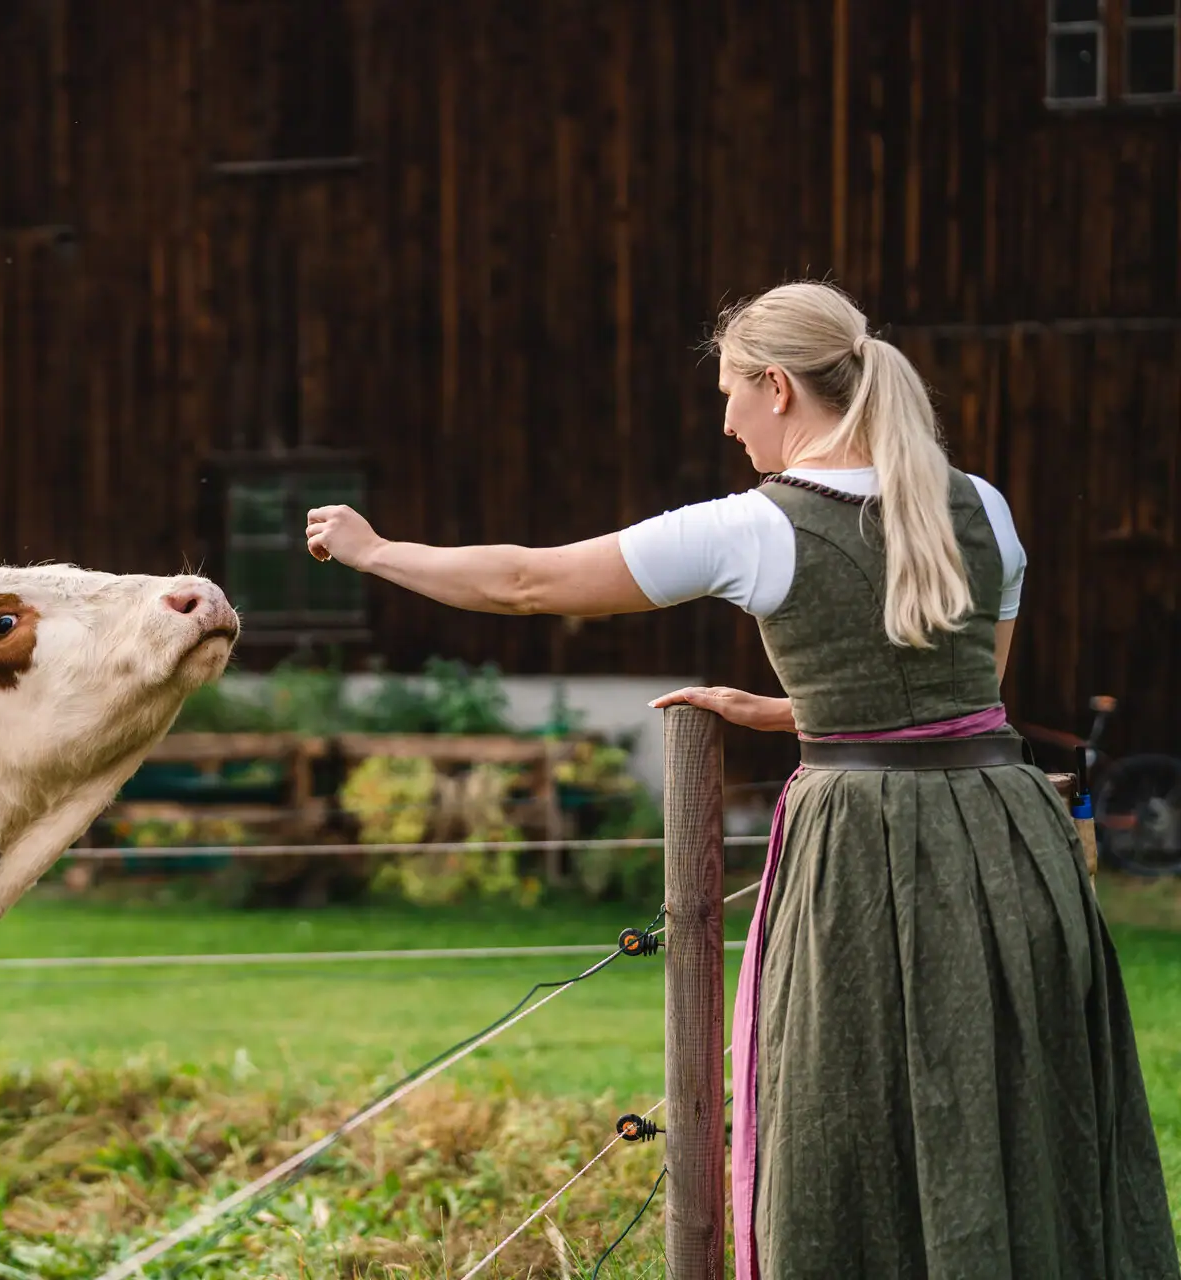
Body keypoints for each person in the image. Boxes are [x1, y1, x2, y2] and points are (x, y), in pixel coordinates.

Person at [303, 280, 1178, 1279]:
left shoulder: (755, 526)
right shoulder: (981, 504)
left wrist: (375, 551)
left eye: (729, 392)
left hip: (864, 850)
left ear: (778, 387)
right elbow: (966, 700)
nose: (725, 421)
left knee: (842, 1111)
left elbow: (528, 582)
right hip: (1009, 841)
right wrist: (788, 711)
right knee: (1020, 1102)